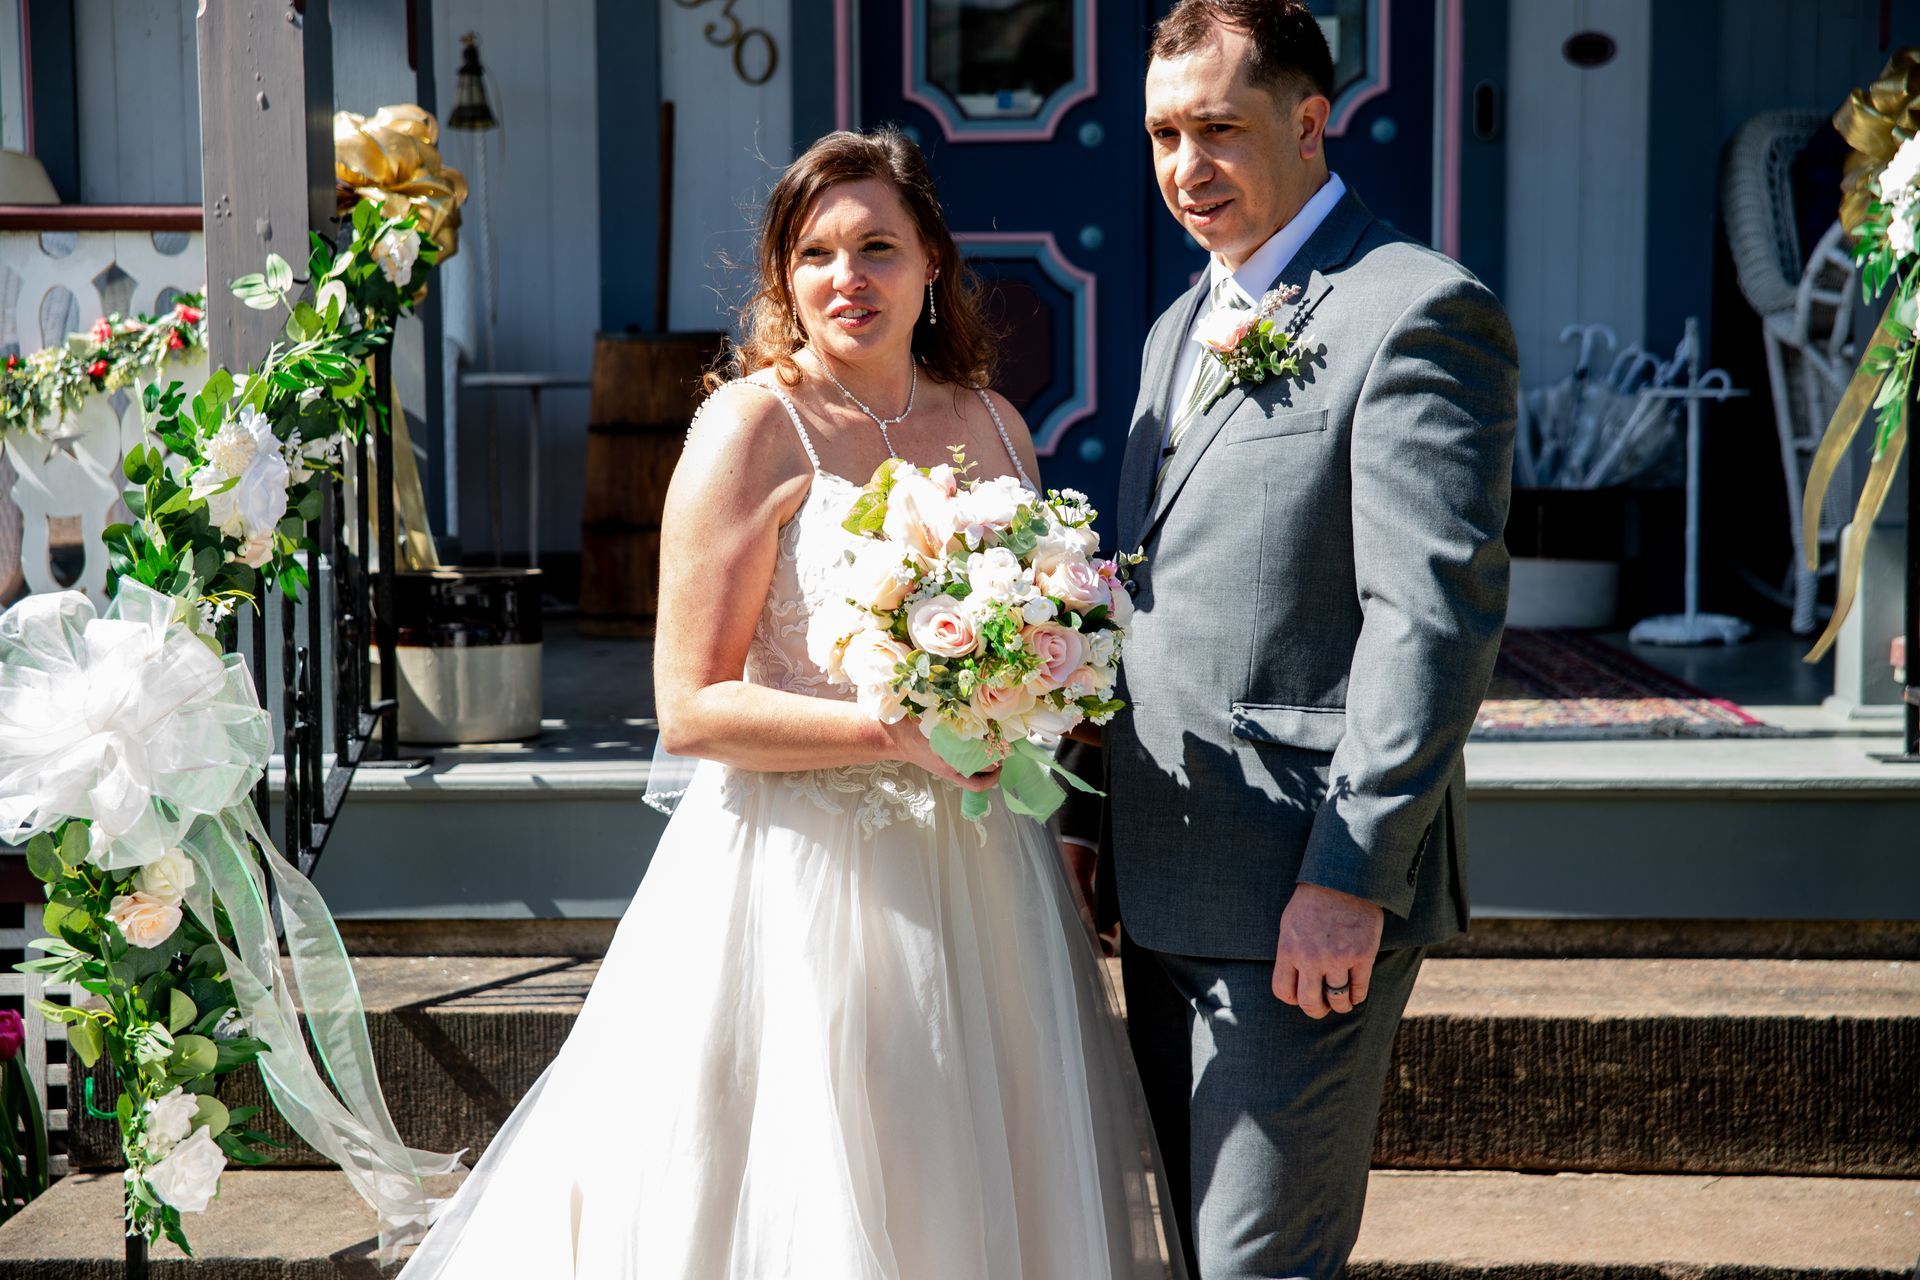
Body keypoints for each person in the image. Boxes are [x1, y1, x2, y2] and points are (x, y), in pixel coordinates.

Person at [396, 128, 1179, 1279]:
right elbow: (691, 707)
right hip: (800, 875)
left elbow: (1038, 647)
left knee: (976, 1178)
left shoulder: (998, 425)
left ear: (932, 267)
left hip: (983, 867)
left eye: (876, 247)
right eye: (814, 254)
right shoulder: (753, 427)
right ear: (782, 278)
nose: (845, 279)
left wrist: (1029, 711)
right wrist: (897, 734)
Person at [1095, 2, 1519, 1277]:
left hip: (1300, 889)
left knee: (1256, 1266)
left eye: (1220, 128)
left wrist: (1348, 874)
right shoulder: (1181, 324)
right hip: (1160, 876)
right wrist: (1079, 825)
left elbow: (1429, 617)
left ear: (1311, 119)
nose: (1186, 167)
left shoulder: (1419, 310)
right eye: (1165, 134)